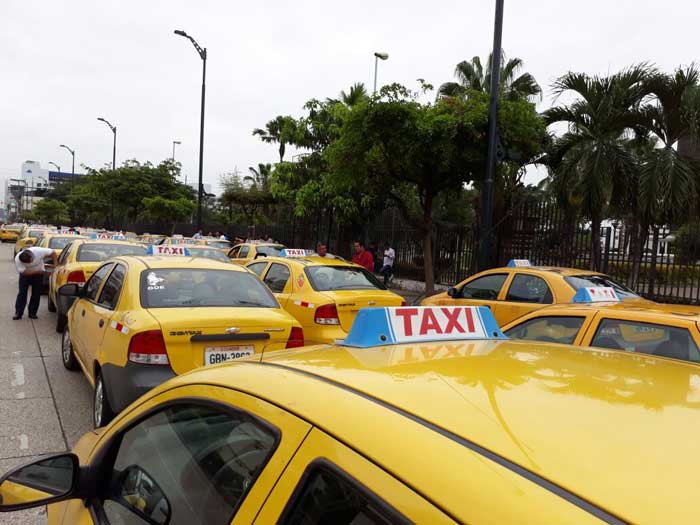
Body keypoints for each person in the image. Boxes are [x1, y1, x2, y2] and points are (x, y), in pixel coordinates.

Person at [14, 247, 56, 320]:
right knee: (22, 293)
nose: (30, 263)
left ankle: (32, 313)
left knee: (36, 293)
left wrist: (56, 265)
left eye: (31, 260)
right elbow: (24, 272)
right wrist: (37, 271)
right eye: (27, 263)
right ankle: (18, 313)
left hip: (38, 275)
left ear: (31, 255)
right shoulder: (18, 259)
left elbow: (53, 252)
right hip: (26, 275)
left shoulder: (38, 251)